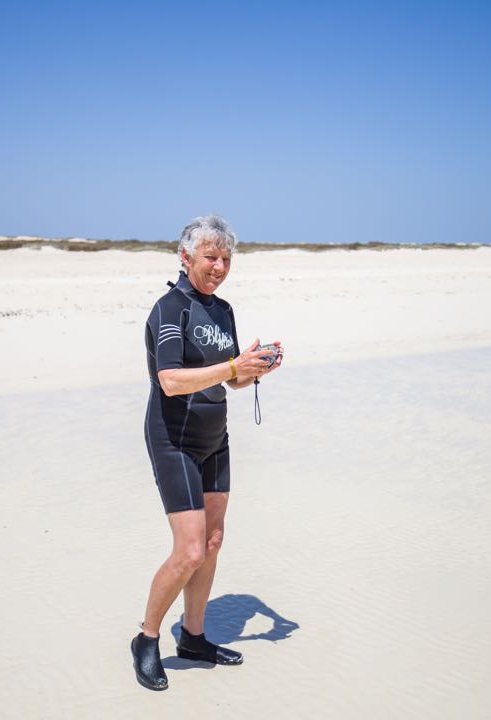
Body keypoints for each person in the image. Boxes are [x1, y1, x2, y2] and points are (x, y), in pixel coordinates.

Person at [132, 214, 284, 691]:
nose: (218, 266)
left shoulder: (223, 311)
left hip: (215, 440)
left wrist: (253, 370)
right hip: (173, 439)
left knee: (213, 543)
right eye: (209, 257)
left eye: (225, 258)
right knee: (190, 550)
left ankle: (194, 637)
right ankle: (147, 637)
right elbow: (172, 382)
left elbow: (230, 377)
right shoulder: (170, 308)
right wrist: (231, 367)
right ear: (185, 257)